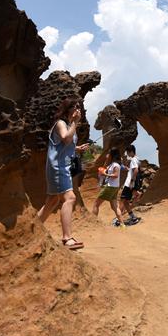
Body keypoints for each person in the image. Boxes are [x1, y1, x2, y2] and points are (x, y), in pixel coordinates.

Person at [37, 97, 91, 250]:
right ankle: (67, 238)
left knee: (52, 201)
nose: (78, 110)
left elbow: (66, 145)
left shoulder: (68, 125)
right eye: (75, 107)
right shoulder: (61, 123)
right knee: (70, 198)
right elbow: (66, 138)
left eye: (79, 107)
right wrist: (75, 122)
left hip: (63, 166)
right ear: (68, 109)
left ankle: (33, 227)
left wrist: (78, 148)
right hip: (58, 167)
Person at [92, 148, 127, 228]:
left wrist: (105, 174)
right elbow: (105, 169)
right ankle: (122, 225)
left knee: (96, 204)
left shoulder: (115, 165)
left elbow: (116, 175)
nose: (107, 155)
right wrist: (103, 170)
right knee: (114, 207)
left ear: (112, 155)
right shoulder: (113, 164)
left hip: (110, 187)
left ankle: (93, 223)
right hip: (114, 187)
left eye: (109, 153)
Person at [114, 144, 141, 226]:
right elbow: (135, 170)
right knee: (126, 202)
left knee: (122, 201)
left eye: (128, 153)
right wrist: (129, 169)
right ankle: (133, 218)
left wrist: (132, 181)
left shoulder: (133, 160)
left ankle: (118, 220)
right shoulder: (137, 159)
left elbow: (135, 170)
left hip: (128, 183)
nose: (127, 155)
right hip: (130, 183)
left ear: (131, 151)